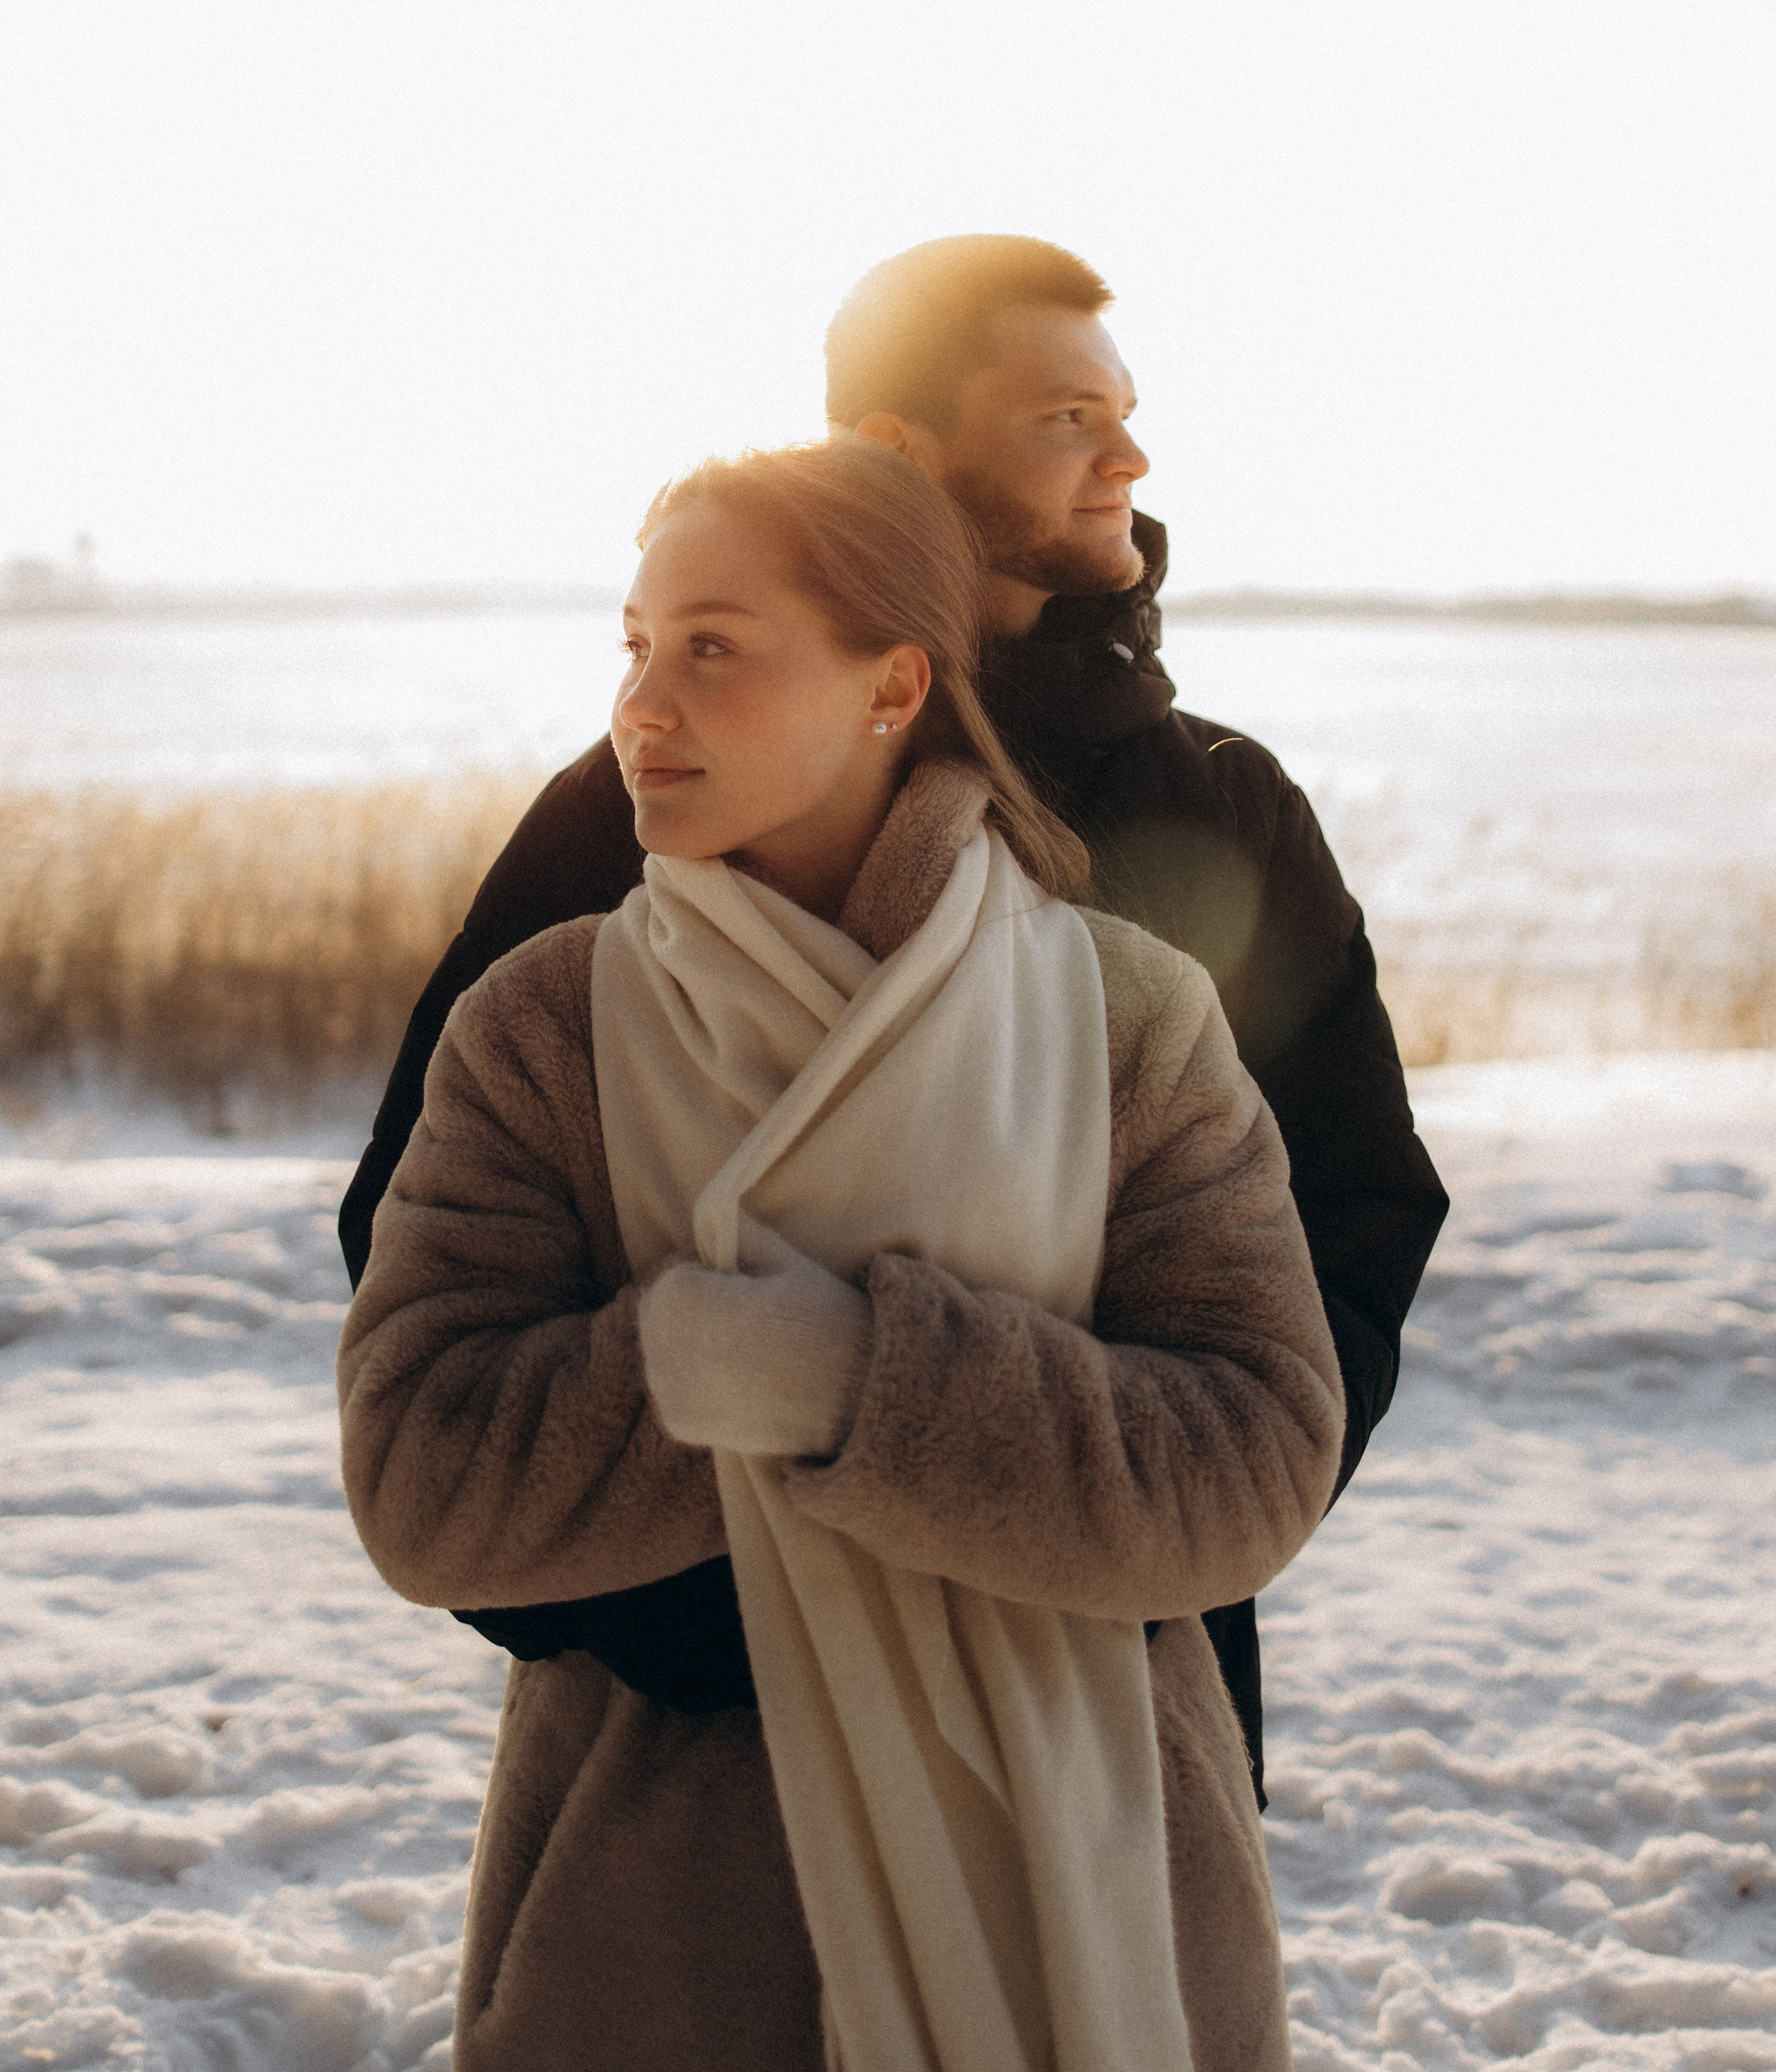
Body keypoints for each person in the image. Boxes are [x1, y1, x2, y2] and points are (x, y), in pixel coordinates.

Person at [337, 233, 1449, 1797]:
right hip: (699, 1754)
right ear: (895, 450)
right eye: (1063, 415)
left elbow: (1345, 1226)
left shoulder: (1217, 806)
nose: (1126, 452)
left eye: (1121, 410)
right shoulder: (639, 810)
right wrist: (701, 1626)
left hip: (1101, 1717)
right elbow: (425, 1235)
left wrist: (1124, 1545)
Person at [336, 437, 1344, 2071]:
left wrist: (858, 1380)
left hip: (1096, 1886)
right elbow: (420, 1481)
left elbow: (1251, 1461)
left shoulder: (1125, 1015)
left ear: (892, 686)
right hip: (653, 1936)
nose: (641, 707)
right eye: (634, 647)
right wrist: (692, 1367)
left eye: (711, 649)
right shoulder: (544, 1024)